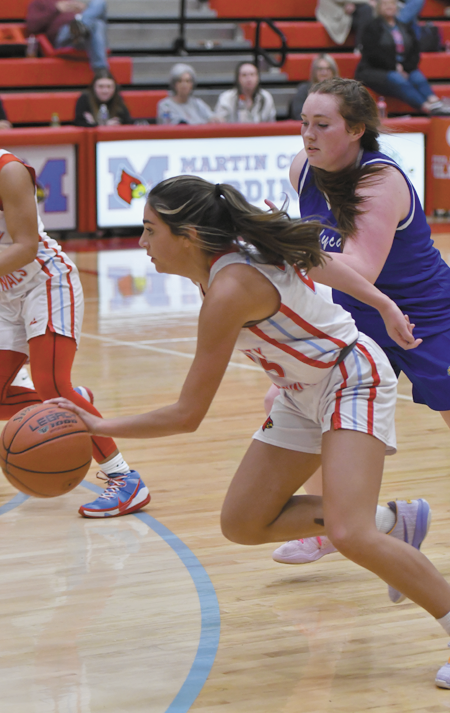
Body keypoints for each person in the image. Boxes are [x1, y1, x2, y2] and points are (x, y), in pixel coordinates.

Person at [49, 173, 450, 689]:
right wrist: (383, 304)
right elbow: (317, 258)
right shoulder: (233, 253)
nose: (142, 242)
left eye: (150, 230)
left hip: (351, 377)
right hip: (302, 389)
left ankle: (396, 555)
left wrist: (98, 424)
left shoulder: (230, 289)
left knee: (350, 535)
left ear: (188, 235)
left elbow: (187, 415)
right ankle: (391, 522)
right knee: (243, 522)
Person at [269, 78, 450, 609]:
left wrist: (278, 240)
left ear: (356, 130)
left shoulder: (380, 181)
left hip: (428, 314)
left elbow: (361, 267)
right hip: (360, 315)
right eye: (303, 122)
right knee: (312, 407)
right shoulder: (301, 170)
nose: (307, 134)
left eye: (321, 125)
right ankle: (355, 524)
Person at [0, 149, 149, 518]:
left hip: (44, 282)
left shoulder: (9, 170)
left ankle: (126, 480)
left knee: (51, 380)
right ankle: (72, 403)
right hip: (4, 292)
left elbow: (25, 246)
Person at [355, 0, 450, 114]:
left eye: (392, 4)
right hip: (376, 69)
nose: (389, 7)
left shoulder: (404, 27)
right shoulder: (372, 27)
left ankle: (435, 101)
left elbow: (414, 51)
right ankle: (426, 107)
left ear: (397, 8)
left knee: (417, 76)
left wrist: (405, 67)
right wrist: (394, 66)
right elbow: (372, 54)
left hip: (403, 66)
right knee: (397, 78)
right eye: (385, 5)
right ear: (378, 8)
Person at [26, 0, 109, 73]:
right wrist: (56, 9)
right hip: (63, 37)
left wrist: (84, 9)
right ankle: (101, 70)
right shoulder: (39, 2)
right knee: (97, 25)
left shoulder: (70, 1)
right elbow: (33, 26)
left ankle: (81, 24)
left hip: (82, 38)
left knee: (99, 3)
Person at [290, 54, 339, 120]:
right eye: (320, 69)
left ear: (333, 71)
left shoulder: (340, 91)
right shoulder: (304, 90)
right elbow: (298, 114)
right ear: (314, 72)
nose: (324, 72)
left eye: (328, 69)